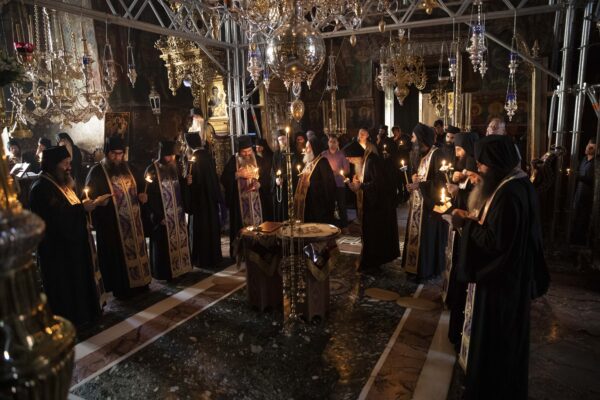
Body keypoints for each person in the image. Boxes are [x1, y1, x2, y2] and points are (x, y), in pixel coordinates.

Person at [451, 134, 550, 400]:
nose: (478, 169)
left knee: (496, 342)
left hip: (501, 285)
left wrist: (465, 223)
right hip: (512, 279)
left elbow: (496, 243)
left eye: (482, 164)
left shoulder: (508, 194)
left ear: (495, 164)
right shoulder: (517, 184)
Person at [30, 146, 103, 326]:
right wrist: (82, 209)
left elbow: (68, 209)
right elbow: (56, 218)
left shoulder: (62, 183)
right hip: (57, 250)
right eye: (65, 164)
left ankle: (84, 315)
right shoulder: (41, 188)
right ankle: (71, 320)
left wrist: (83, 211)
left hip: (73, 244)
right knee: (65, 286)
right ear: (53, 164)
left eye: (70, 163)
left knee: (77, 281)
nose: (69, 167)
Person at [85, 136, 151, 298]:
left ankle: (141, 282)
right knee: (117, 257)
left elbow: (141, 187)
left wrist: (142, 195)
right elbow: (89, 198)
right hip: (112, 224)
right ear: (107, 153)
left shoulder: (129, 168)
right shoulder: (97, 171)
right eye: (113, 153)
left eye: (120, 154)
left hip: (133, 223)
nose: (117, 157)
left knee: (137, 250)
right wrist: (98, 202)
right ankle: (121, 288)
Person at [344, 129, 399, 270]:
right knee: (370, 234)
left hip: (379, 206)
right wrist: (357, 184)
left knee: (374, 235)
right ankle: (370, 261)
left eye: (350, 158)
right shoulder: (366, 160)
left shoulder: (371, 161)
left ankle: (372, 262)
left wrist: (361, 185)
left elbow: (378, 184)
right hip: (373, 204)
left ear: (356, 155)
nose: (349, 161)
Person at [444, 132, 479, 348]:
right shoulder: (463, 166)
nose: (457, 153)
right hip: (460, 227)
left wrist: (459, 190)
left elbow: (474, 200)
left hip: (470, 232)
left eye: (459, 149)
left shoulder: (474, 169)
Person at [403, 122, 447, 280]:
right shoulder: (418, 154)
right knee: (415, 236)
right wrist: (412, 180)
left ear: (421, 139)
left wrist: (420, 185)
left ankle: (425, 270)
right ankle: (412, 268)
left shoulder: (437, 154)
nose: (411, 140)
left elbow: (441, 182)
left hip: (429, 207)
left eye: (413, 137)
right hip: (416, 204)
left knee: (426, 239)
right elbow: (416, 173)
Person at [143, 141, 192, 281]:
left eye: (173, 156)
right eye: (168, 156)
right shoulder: (152, 170)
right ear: (161, 155)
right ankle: (165, 273)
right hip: (162, 217)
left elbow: (180, 188)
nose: (171, 159)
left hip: (177, 215)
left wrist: (186, 182)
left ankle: (182, 268)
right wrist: (159, 217)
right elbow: (149, 197)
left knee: (180, 240)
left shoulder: (175, 167)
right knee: (163, 246)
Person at [185, 132, 223, 267]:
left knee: (200, 230)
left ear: (189, 145)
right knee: (212, 227)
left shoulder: (193, 160)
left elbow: (191, 183)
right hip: (211, 201)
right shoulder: (208, 156)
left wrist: (187, 183)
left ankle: (201, 259)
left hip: (199, 203)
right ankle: (214, 257)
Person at [221, 135, 263, 258]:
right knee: (241, 228)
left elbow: (266, 177)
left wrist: (259, 184)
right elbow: (224, 179)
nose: (247, 154)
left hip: (257, 203)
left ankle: (259, 251)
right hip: (239, 206)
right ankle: (241, 253)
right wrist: (237, 174)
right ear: (239, 151)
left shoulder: (258, 160)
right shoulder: (233, 161)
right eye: (244, 152)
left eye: (249, 151)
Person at [294, 136, 336, 224]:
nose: (305, 149)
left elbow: (329, 183)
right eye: (306, 147)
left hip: (318, 203)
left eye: (308, 147)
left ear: (314, 148)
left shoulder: (322, 162)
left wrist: (311, 184)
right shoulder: (308, 163)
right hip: (308, 202)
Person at [570, 138, 596, 245]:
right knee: (575, 217)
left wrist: (577, 175)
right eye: (588, 146)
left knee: (583, 219)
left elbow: (593, 180)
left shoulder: (596, 163)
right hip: (579, 193)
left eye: (591, 147)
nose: (588, 148)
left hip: (587, 196)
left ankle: (580, 242)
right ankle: (572, 240)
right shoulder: (584, 159)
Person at [322, 135, 350, 227]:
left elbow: (347, 170)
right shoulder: (324, 154)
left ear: (338, 143)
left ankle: (344, 226)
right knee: (329, 206)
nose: (332, 144)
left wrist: (337, 172)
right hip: (328, 185)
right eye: (330, 142)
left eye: (334, 142)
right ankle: (329, 226)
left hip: (339, 184)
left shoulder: (342, 154)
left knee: (342, 206)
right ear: (328, 143)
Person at [272, 130, 291, 222]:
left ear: (287, 139)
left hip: (289, 187)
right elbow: (273, 170)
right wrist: (276, 179)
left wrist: (284, 178)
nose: (282, 142)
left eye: (283, 139)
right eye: (279, 140)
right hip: (279, 187)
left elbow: (295, 170)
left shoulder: (292, 152)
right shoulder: (276, 154)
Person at [256, 138, 274, 221]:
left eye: (259, 147)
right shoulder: (255, 157)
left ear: (263, 147)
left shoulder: (270, 156)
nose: (257, 149)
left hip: (268, 186)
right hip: (259, 186)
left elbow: (270, 172)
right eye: (256, 147)